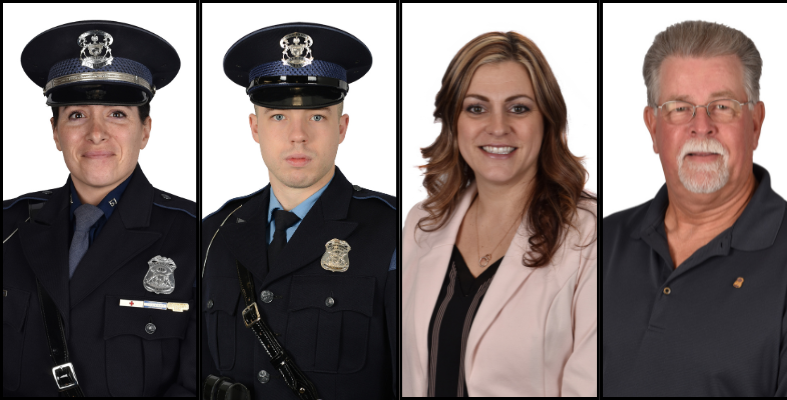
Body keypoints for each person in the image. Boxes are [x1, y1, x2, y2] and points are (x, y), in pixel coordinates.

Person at [200, 22, 397, 400]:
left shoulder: (391, 231)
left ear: (342, 127)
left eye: (317, 116)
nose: (298, 135)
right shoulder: (214, 234)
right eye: (278, 116)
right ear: (255, 128)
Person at [603, 20, 787, 397]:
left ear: (755, 124)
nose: (702, 127)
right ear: (653, 127)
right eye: (680, 108)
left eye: (722, 107)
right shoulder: (601, 242)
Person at [3, 20, 196, 397]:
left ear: (145, 130)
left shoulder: (196, 236)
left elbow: (196, 384)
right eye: (77, 115)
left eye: (117, 114)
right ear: (56, 132)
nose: (96, 133)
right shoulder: (8, 226)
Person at [401, 31, 598, 397]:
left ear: (548, 120)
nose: (497, 127)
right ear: (453, 121)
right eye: (476, 108)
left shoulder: (591, 237)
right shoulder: (422, 223)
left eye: (519, 108)